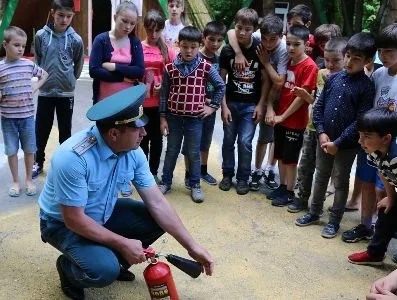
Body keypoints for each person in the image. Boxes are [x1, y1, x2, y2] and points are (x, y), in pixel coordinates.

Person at [39, 85, 214, 300]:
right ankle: (69, 268)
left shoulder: (132, 150)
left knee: (154, 218)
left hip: (102, 211)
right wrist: (123, 243)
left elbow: (157, 202)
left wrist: (192, 247)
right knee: (104, 271)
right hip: (62, 224)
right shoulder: (73, 159)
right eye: (137, 128)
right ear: (114, 133)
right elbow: (74, 220)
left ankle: (113, 256)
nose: (144, 133)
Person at [295, 32, 376, 238]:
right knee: (320, 176)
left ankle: (334, 222)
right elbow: (319, 106)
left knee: (340, 182)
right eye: (348, 56)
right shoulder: (333, 78)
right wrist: (321, 133)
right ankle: (314, 212)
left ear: (367, 61)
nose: (349, 62)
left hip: (346, 146)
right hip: (324, 140)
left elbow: (359, 120)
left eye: (356, 59)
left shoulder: (366, 87)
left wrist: (337, 142)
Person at [158, 26, 225, 203]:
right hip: (173, 118)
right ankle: (165, 182)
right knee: (171, 151)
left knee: (194, 153)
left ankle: (195, 185)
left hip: (195, 119)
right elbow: (164, 94)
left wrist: (213, 107)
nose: (189, 50)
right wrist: (163, 118)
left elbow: (220, 86)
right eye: (185, 46)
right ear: (178, 44)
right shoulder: (170, 68)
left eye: (193, 47)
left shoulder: (206, 67)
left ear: (199, 45)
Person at [348, 25, 397, 265]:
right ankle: (371, 237)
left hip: (392, 144)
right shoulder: (378, 75)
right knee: (378, 189)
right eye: (381, 51)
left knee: (387, 193)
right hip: (376, 142)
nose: (384, 56)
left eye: (389, 51)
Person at [226, 14, 289, 191]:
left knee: (270, 135)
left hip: (276, 96)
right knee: (256, 137)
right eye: (265, 39)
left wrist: (266, 63)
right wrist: (238, 53)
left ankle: (270, 169)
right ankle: (257, 170)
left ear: (281, 37)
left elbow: (278, 81)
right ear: (260, 34)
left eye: (273, 40)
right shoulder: (256, 36)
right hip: (257, 93)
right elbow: (231, 31)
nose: (268, 44)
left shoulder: (283, 49)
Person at [287, 37, 347, 213]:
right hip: (312, 127)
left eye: (336, 60)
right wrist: (305, 96)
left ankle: (319, 206)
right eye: (327, 60)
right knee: (305, 165)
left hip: (331, 133)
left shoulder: (346, 80)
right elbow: (317, 101)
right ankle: (302, 199)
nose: (330, 65)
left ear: (346, 58)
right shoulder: (321, 74)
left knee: (325, 172)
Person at [218, 8, 269, 195]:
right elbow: (220, 80)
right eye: (239, 27)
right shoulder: (227, 50)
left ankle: (242, 178)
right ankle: (227, 174)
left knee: (245, 142)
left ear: (254, 29)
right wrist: (223, 106)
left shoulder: (259, 49)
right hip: (231, 103)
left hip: (250, 105)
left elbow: (266, 80)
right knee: (228, 140)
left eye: (247, 29)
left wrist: (260, 104)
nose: (242, 32)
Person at [266, 25, 318, 207]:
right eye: (288, 43)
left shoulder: (309, 66)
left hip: (295, 122)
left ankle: (289, 191)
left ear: (306, 45)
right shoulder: (287, 62)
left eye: (296, 44)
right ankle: (282, 186)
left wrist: (283, 116)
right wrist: (274, 112)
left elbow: (301, 99)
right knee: (280, 154)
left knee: (290, 159)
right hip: (281, 118)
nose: (291, 48)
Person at [33, 0, 84, 178]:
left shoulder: (76, 39)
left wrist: (70, 79)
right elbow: (37, 59)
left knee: (65, 131)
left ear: (72, 16)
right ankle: (37, 161)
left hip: (66, 93)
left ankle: (64, 164)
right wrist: (42, 80)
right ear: (53, 13)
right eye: (60, 15)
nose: (64, 20)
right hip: (46, 92)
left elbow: (78, 64)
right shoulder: (41, 35)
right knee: (41, 129)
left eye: (68, 16)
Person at [0, 26, 48, 197]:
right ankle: (15, 181)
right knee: (11, 150)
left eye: (23, 46)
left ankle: (28, 179)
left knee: (29, 149)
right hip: (8, 119)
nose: (20, 49)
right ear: (5, 45)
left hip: (27, 117)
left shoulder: (28, 65)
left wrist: (36, 86)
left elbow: (45, 75)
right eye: (16, 45)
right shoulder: (1, 68)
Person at [182, 21, 227, 187]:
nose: (215, 44)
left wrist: (215, 104)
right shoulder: (195, 56)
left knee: (205, 141)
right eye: (211, 39)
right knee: (190, 142)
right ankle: (188, 174)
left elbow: (220, 84)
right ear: (203, 39)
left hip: (210, 109)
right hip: (193, 107)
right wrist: (206, 100)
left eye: (219, 40)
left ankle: (202, 170)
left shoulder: (218, 59)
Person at [141, 9, 176, 182]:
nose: (153, 34)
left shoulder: (167, 51)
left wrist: (162, 85)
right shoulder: (138, 47)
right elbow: (134, 73)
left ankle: (153, 172)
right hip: (141, 103)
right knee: (141, 140)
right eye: (150, 30)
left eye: (157, 30)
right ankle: (141, 172)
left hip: (160, 104)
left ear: (162, 29)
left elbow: (172, 76)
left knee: (156, 140)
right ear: (145, 28)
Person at [89, 1, 144, 104]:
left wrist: (114, 67)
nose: (128, 27)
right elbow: (94, 71)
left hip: (128, 102)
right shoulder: (101, 40)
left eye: (132, 23)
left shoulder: (135, 42)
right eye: (124, 21)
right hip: (104, 101)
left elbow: (139, 71)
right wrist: (122, 77)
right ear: (115, 17)